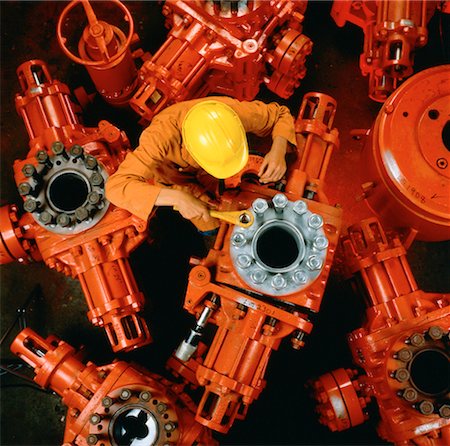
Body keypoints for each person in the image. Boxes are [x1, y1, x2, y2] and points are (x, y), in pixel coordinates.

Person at [105, 96, 296, 231]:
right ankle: (210, 232)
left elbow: (280, 114)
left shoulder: (232, 113)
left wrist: (278, 149)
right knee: (205, 220)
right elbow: (115, 187)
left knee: (214, 207)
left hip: (206, 173)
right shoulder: (158, 137)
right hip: (172, 177)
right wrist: (177, 198)